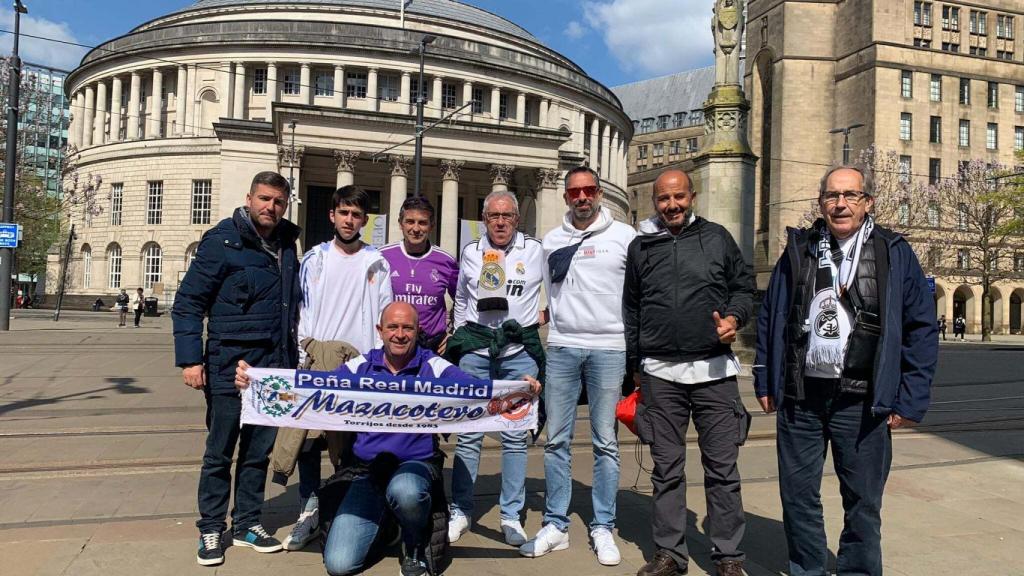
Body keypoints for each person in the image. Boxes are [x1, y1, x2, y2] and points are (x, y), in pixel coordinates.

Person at [236, 302, 540, 576]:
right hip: (366, 471)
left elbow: (475, 391)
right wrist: (256, 383)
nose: (399, 334)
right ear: (380, 331)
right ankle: (388, 526)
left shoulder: (432, 365)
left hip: (414, 467)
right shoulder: (362, 365)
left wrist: (520, 390)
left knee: (406, 492)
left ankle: (414, 542)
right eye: (392, 327)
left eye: (407, 327)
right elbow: (316, 388)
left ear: (417, 331)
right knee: (340, 564)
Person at [753, 164, 937, 576]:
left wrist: (911, 397)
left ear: (867, 202)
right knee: (798, 496)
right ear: (821, 203)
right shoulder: (799, 250)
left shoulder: (893, 251)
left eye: (850, 196)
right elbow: (771, 316)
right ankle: (808, 569)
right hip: (802, 396)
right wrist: (765, 377)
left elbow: (921, 328)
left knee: (863, 501)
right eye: (832, 196)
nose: (840, 204)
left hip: (863, 398)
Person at [623, 169, 755, 576]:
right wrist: (635, 369)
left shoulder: (716, 238)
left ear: (692, 196)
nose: (672, 205)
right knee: (666, 470)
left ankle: (729, 557)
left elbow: (744, 288)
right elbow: (632, 309)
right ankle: (669, 555)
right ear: (655, 203)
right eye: (664, 199)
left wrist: (735, 318)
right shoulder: (641, 247)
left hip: (714, 372)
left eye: (679, 197)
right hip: (661, 374)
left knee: (722, 470)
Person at [171, 171, 300, 566]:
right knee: (219, 452)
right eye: (264, 199)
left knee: (258, 452)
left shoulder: (287, 245)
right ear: (249, 198)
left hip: (272, 367)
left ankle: (246, 522)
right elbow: (189, 302)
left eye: (278, 201)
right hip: (228, 363)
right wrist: (191, 359)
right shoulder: (221, 242)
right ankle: (211, 527)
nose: (270, 207)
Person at [520, 166, 636, 565]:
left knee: (605, 441)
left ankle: (603, 524)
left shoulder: (624, 236)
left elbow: (638, 293)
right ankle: (556, 524)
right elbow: (538, 289)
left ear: (599, 193)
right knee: (557, 440)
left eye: (588, 190)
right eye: (574, 193)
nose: (582, 197)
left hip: (609, 347)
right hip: (564, 347)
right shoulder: (552, 239)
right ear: (567, 197)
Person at [272, 185, 393, 551]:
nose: (349, 220)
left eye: (357, 215)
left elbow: (384, 312)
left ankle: (342, 507)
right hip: (315, 358)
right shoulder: (314, 258)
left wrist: (376, 361)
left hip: (358, 364)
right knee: (308, 442)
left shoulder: (377, 262)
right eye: (344, 213)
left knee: (350, 442)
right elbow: (301, 310)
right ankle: (308, 510)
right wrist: (303, 351)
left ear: (364, 220)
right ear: (332, 215)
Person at [445, 190, 545, 547]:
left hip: (518, 353)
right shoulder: (471, 251)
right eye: (493, 216)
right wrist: (459, 334)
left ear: (516, 219)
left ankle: (511, 515)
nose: (500, 222)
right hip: (477, 349)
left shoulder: (535, 250)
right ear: (484, 219)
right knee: (469, 434)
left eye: (506, 216)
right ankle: (461, 509)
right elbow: (460, 299)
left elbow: (557, 290)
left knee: (515, 436)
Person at [381, 196, 458, 354]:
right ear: (400, 224)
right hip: (393, 346)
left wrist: (455, 334)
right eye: (410, 221)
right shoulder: (382, 257)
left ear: (431, 226)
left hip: (433, 347)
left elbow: (464, 301)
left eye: (422, 222)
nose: (416, 229)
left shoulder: (446, 261)